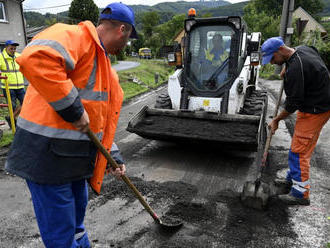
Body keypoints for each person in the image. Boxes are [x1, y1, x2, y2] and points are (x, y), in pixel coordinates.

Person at [5, 2, 137, 247]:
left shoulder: (107, 70)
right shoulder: (76, 37)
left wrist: (114, 156)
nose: (126, 44)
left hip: (75, 161)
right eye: (128, 38)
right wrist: (73, 110)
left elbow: (100, 121)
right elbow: (36, 58)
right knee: (61, 236)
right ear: (122, 29)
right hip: (46, 158)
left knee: (75, 225)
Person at [261, 37, 330, 206]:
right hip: (320, 103)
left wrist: (276, 119)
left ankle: (300, 193)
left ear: (280, 51)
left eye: (272, 58)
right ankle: (292, 180)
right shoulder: (303, 49)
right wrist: (286, 66)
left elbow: (293, 104)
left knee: (299, 151)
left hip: (315, 109)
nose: (272, 63)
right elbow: (312, 56)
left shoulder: (296, 69)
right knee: (299, 147)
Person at [0, 40, 25, 128]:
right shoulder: (1, 57)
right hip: (8, 87)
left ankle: (11, 118)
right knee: (12, 106)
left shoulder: (19, 56)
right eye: (11, 48)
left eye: (14, 48)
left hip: (20, 86)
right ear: (6, 47)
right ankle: (14, 125)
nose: (13, 50)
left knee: (26, 103)